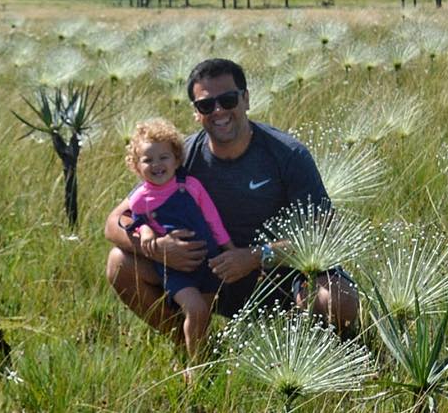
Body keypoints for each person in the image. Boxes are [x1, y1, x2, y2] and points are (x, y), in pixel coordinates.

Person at [105, 57, 359, 338]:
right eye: (206, 105)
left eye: (228, 99)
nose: (218, 111)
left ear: (246, 99)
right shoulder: (180, 157)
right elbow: (114, 222)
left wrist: (253, 257)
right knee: (119, 264)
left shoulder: (288, 154)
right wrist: (157, 248)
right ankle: (194, 349)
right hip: (209, 274)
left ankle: (328, 347)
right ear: (196, 113)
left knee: (338, 300)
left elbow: (323, 233)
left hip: (283, 275)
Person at [123, 118, 233, 358]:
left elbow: (212, 219)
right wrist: (146, 231)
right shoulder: (139, 199)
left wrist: (228, 247)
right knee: (194, 309)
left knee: (202, 315)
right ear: (135, 165)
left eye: (163, 157)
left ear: (176, 159)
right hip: (174, 270)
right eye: (147, 160)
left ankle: (199, 358)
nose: (157, 165)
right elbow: (134, 222)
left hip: (208, 262)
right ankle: (194, 370)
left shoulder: (190, 185)